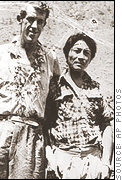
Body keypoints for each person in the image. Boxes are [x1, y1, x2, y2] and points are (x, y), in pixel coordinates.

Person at [0, 2, 60, 179]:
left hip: (32, 135)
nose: (34, 26)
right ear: (20, 19)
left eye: (40, 21)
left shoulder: (51, 59)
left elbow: (54, 102)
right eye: (30, 19)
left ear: (44, 24)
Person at [45, 32, 114, 179]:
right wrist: (50, 156)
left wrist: (106, 163)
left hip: (93, 161)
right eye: (76, 50)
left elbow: (106, 125)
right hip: (63, 160)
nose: (81, 57)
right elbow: (45, 124)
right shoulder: (54, 87)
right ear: (67, 53)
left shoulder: (97, 88)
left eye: (86, 53)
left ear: (90, 59)